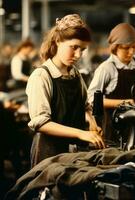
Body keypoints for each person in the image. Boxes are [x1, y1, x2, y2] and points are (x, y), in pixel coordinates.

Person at [26, 14, 105, 167]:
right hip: (49, 153)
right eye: (74, 47)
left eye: (82, 49)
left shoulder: (75, 74)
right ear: (57, 41)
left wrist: (92, 123)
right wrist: (82, 133)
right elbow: (41, 123)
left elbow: (85, 106)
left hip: (74, 152)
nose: (78, 55)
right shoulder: (41, 76)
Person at [87, 23, 135, 144]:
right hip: (112, 129)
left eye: (134, 47)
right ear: (115, 47)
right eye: (126, 48)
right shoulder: (106, 68)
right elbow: (92, 100)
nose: (131, 52)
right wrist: (126, 103)